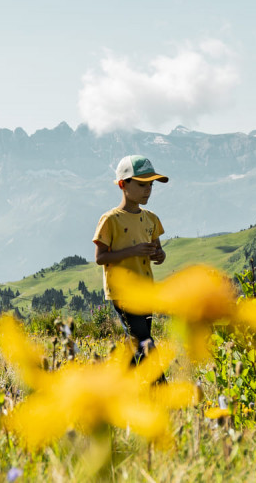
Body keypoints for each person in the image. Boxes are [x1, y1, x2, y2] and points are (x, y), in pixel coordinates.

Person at [93, 155, 168, 362]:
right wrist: (133, 251)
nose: (148, 190)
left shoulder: (151, 218)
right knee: (145, 342)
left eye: (151, 184)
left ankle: (119, 387)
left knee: (135, 343)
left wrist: (158, 255)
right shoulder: (110, 220)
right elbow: (100, 258)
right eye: (142, 184)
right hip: (123, 291)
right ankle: (161, 390)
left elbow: (159, 253)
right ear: (122, 184)